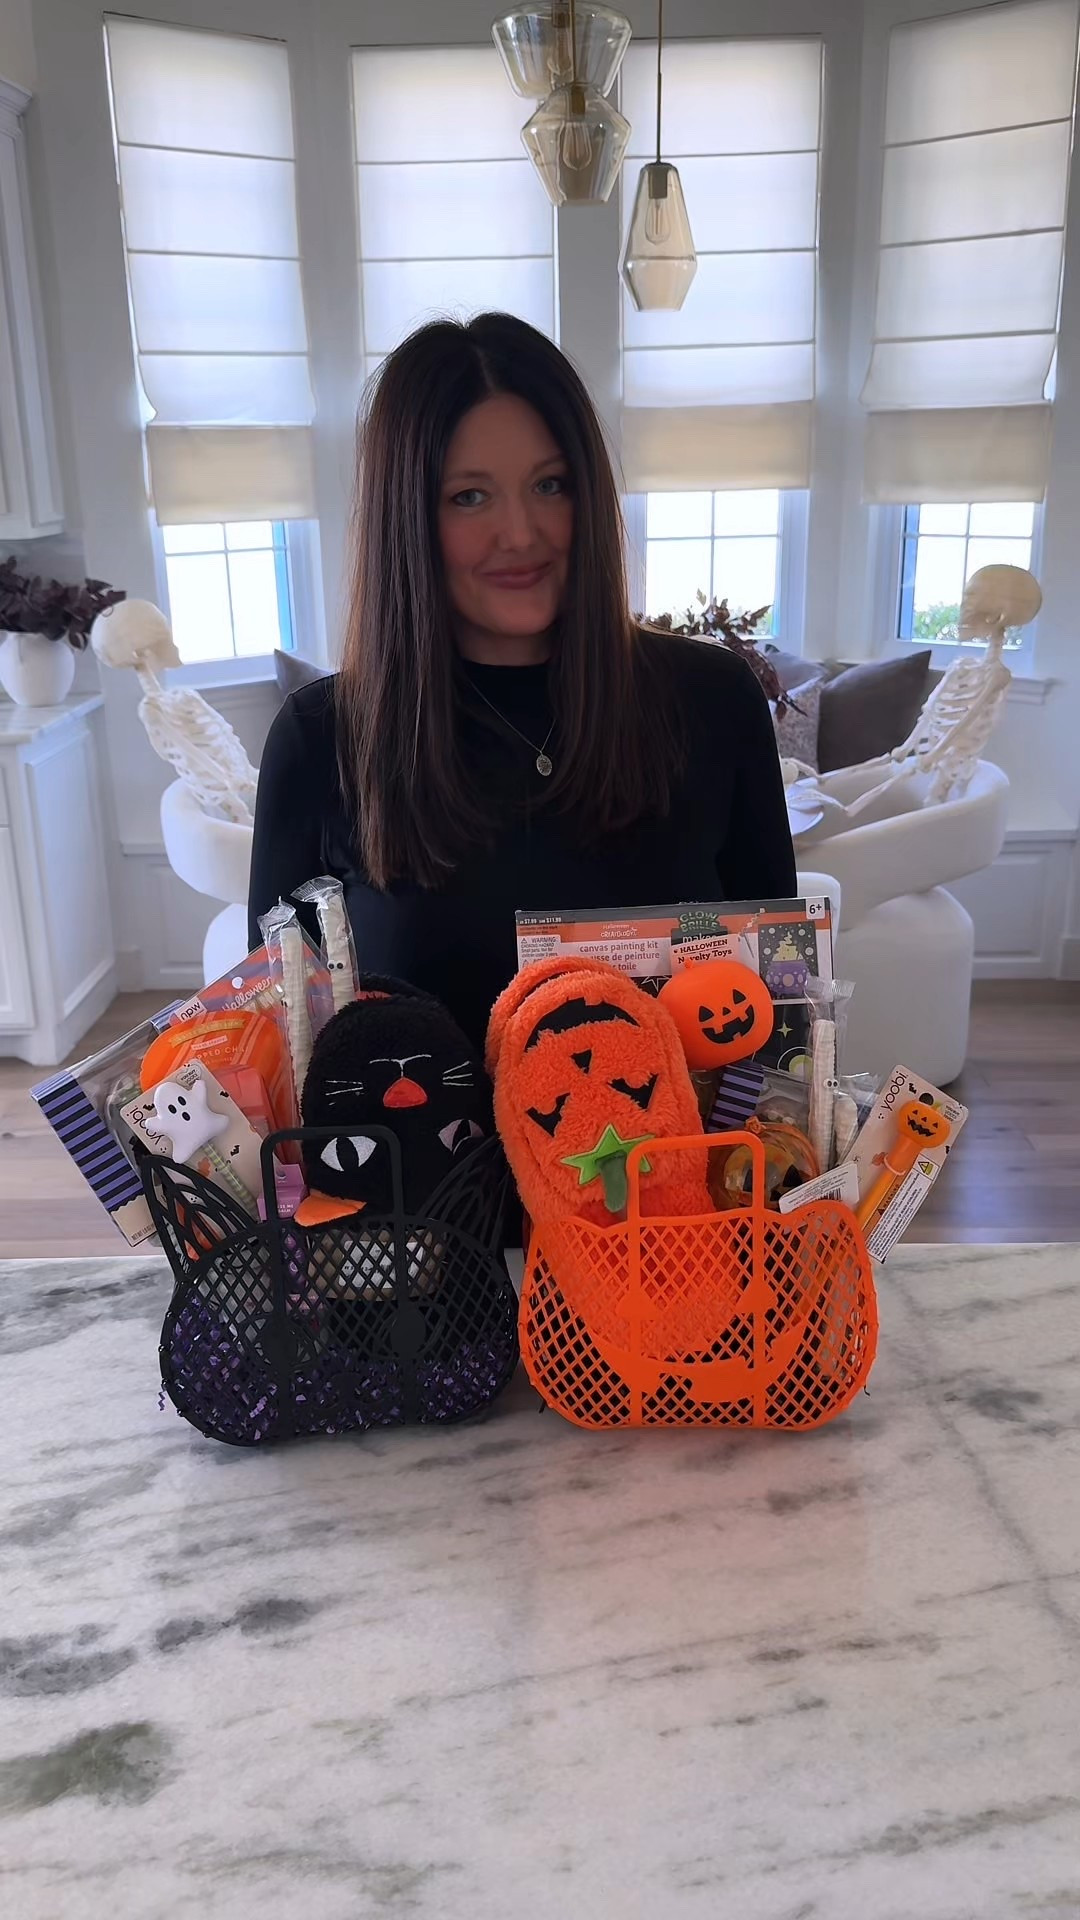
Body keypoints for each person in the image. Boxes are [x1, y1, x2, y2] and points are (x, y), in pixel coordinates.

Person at [249, 312, 796, 1053]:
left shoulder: (714, 701)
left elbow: (779, 1004)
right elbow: (279, 1050)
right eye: (468, 496)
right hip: (429, 1171)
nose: (521, 535)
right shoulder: (323, 738)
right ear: (407, 517)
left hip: (677, 1164)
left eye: (550, 484)